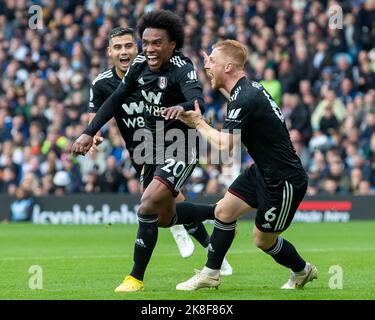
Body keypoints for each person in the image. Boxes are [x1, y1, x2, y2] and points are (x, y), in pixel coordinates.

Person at [72, 11, 231, 292]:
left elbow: (198, 100)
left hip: (180, 146)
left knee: (146, 205)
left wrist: (181, 108)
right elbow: (116, 98)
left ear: (172, 44)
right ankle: (218, 212)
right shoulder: (139, 66)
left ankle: (135, 278)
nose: (149, 49)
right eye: (145, 42)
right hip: (148, 148)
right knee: (165, 218)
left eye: (157, 43)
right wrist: (88, 131)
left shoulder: (183, 67)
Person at [166, 40, 317, 291]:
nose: (207, 66)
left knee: (263, 240)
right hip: (262, 170)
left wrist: (199, 123)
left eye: (211, 61)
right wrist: (208, 68)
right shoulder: (246, 90)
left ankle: (302, 270)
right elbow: (233, 96)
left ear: (228, 66)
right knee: (224, 212)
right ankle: (211, 273)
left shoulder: (244, 97)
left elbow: (226, 145)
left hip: (284, 180)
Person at [88, 26, 220, 262]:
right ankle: (211, 233)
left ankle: (198, 239)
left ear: (136, 48)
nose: (124, 51)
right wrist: (93, 132)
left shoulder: (151, 72)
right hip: (138, 149)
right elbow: (97, 111)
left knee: (159, 199)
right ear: (109, 52)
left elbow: (190, 99)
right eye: (117, 47)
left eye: (128, 45)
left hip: (170, 141)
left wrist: (190, 111)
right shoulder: (102, 84)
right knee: (166, 201)